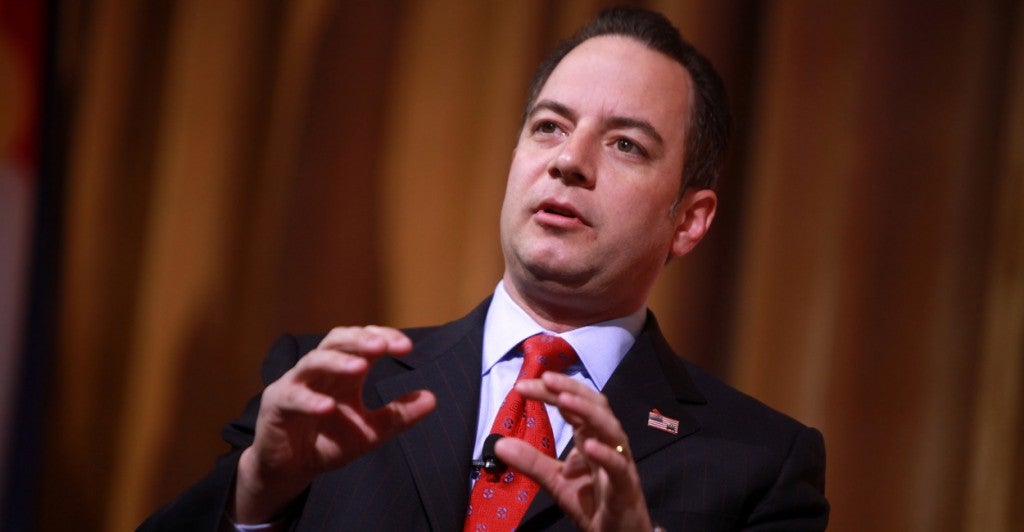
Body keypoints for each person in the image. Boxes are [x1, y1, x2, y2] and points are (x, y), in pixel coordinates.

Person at [140, 6, 829, 531]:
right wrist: (256, 494)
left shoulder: (759, 463)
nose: (569, 160)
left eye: (625, 144)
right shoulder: (332, 390)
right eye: (549, 126)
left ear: (690, 220)